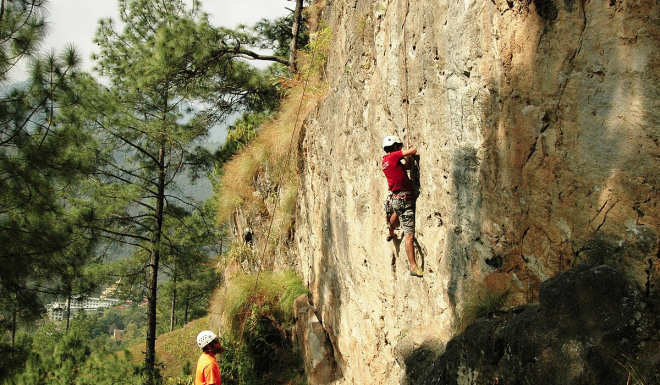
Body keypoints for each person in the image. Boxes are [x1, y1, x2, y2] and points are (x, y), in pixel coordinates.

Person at [381, 135, 422, 277]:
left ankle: (391, 232)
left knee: (397, 213)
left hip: (396, 198)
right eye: (399, 146)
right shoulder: (393, 156)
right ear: (395, 147)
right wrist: (409, 150)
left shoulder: (385, 161)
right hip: (405, 198)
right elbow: (414, 150)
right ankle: (413, 266)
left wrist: (408, 158)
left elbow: (407, 167)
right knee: (409, 235)